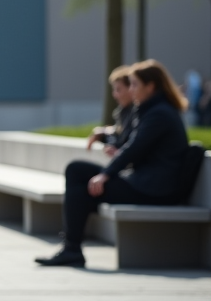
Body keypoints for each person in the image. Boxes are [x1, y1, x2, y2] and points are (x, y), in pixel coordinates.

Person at [37, 60, 196, 267]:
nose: (131, 90)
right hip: (145, 184)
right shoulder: (152, 110)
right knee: (79, 186)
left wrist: (105, 174)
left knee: (77, 172)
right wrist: (106, 140)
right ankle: (72, 249)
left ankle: (72, 249)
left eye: (135, 85)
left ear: (151, 86)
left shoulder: (159, 114)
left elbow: (134, 148)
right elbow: (129, 143)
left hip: (153, 189)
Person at [85, 66, 137, 154]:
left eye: (118, 90)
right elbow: (118, 135)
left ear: (130, 88)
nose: (114, 95)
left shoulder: (137, 113)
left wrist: (118, 152)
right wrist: (102, 134)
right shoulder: (122, 112)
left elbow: (127, 141)